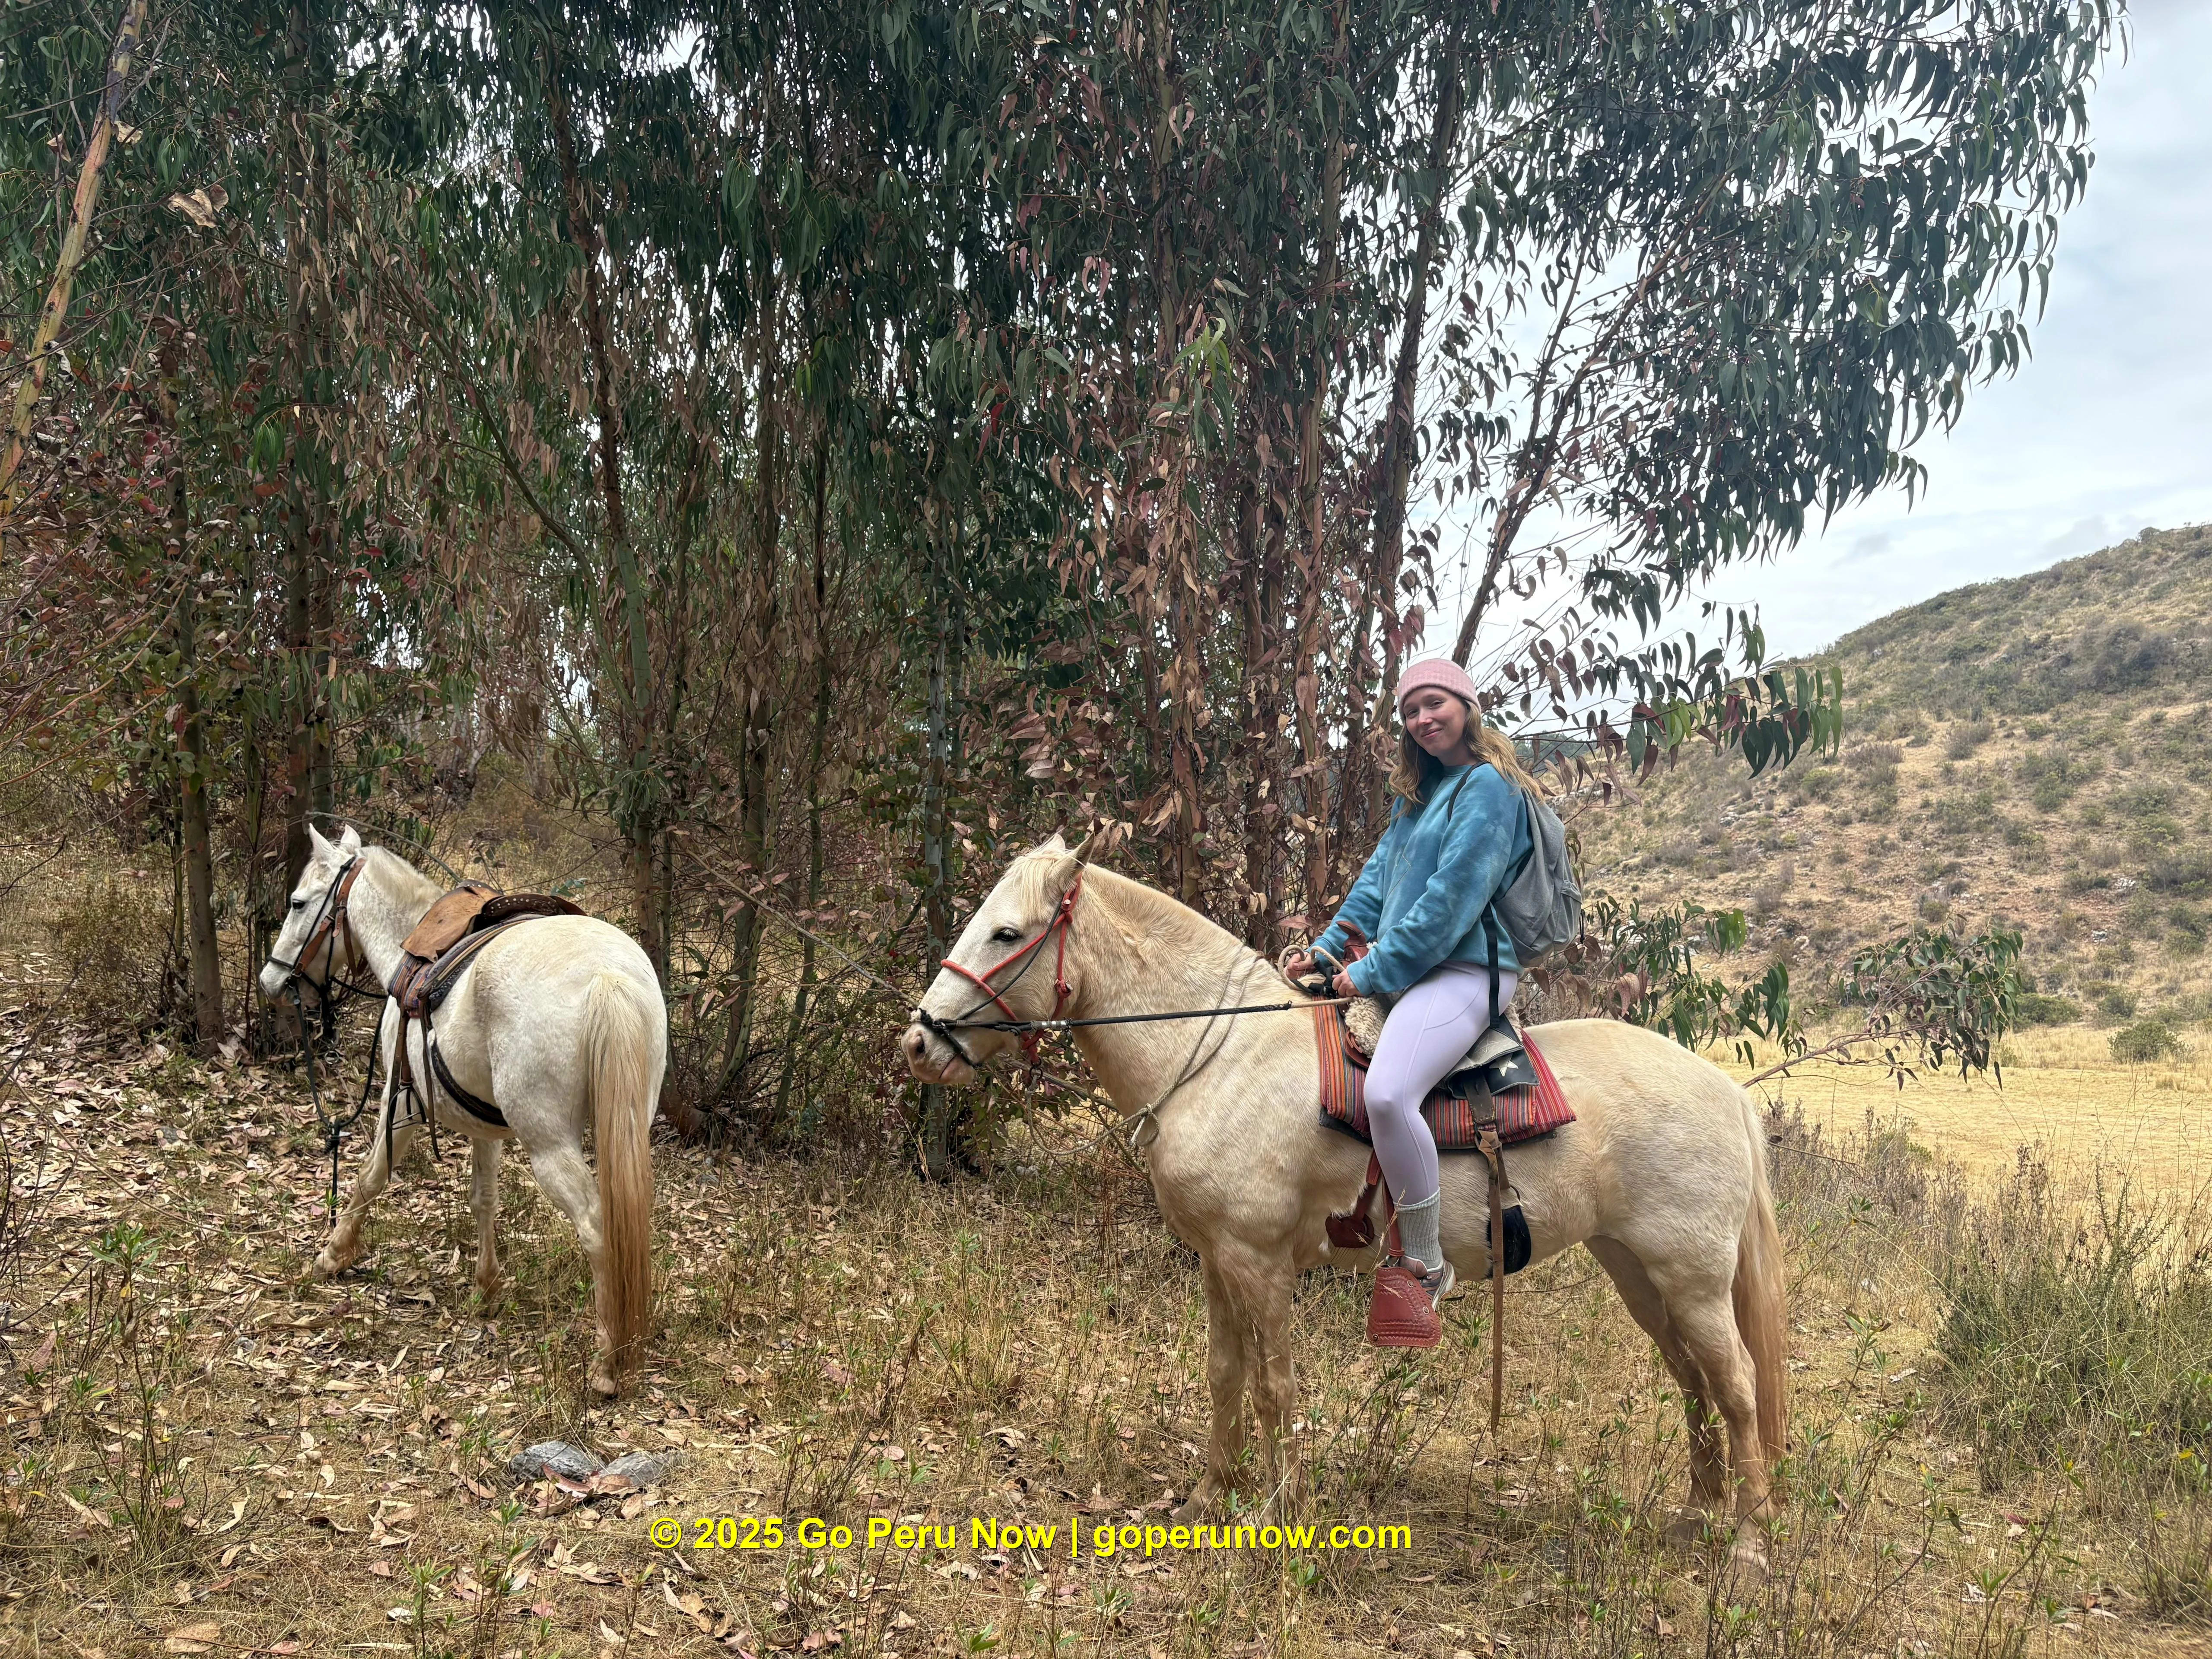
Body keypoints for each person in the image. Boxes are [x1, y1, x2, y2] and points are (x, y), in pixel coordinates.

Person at [1285, 657, 1536, 1348]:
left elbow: (1451, 902)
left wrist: (1374, 972)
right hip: (1412, 971)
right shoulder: (1417, 796)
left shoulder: (1488, 789)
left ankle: (1426, 1264)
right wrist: (1327, 949)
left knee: (1390, 1095)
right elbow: (1376, 887)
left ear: (1465, 706)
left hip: (1464, 971)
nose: (1423, 721)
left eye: (1434, 705)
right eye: (1410, 712)